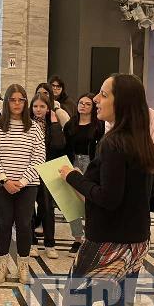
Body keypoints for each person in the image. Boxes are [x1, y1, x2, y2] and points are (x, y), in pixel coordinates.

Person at [47, 74, 154, 306]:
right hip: (136, 241)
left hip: (106, 243)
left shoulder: (113, 143)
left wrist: (74, 177)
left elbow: (108, 198)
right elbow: (151, 193)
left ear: (121, 102)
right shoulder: (142, 141)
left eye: (104, 94)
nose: (96, 99)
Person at [0, 84, 45, 285]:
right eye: (13, 100)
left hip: (27, 185)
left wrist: (21, 182)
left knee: (24, 224)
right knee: (3, 223)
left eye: (21, 100)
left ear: (26, 102)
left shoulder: (34, 128)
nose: (17, 104)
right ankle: (1, 265)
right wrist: (4, 180)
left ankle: (23, 266)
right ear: (7, 102)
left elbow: (39, 158)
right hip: (2, 184)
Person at [63, 93, 105, 257]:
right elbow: (65, 145)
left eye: (88, 104)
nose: (84, 106)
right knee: (71, 202)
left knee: (88, 200)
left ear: (93, 107)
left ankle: (90, 237)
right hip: (72, 161)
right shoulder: (70, 124)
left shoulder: (98, 125)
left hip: (90, 163)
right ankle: (77, 238)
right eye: (81, 103)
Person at [30, 92, 66, 259]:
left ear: (48, 108)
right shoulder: (27, 123)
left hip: (48, 169)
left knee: (47, 208)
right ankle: (31, 242)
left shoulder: (52, 124)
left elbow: (59, 144)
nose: (38, 109)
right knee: (29, 209)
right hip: (30, 170)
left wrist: (54, 122)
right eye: (35, 106)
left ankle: (50, 244)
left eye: (42, 106)